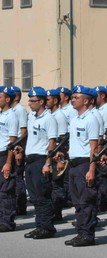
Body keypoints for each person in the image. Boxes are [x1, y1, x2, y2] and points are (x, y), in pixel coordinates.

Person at [61, 85, 99, 247]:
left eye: (76, 97)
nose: (73, 100)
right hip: (74, 164)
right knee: (77, 202)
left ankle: (88, 235)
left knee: (86, 201)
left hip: (84, 164)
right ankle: (80, 232)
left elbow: (94, 147)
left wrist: (92, 169)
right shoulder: (75, 119)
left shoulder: (91, 119)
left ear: (86, 100)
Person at [24, 86, 58, 239]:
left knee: (43, 194)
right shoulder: (31, 116)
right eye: (29, 100)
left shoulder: (49, 118)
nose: (30, 103)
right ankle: (39, 225)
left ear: (42, 101)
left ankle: (47, 227)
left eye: (33, 100)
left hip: (40, 160)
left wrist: (48, 163)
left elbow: (52, 142)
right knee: (34, 196)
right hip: (30, 160)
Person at [46, 89, 69, 222]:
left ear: (55, 101)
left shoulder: (59, 116)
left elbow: (62, 140)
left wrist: (61, 159)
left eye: (48, 99)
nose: (46, 102)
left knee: (57, 185)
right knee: (51, 185)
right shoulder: (50, 114)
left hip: (57, 156)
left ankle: (57, 212)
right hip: (50, 155)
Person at [0, 86, 19, 232]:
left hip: (5, 155)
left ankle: (7, 221)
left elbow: (13, 142)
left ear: (7, 99)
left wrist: (8, 162)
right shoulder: (1, 114)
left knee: (6, 190)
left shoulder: (12, 116)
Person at [10, 86, 28, 216]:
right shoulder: (11, 110)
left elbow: (23, 132)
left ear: (15, 97)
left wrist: (20, 151)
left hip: (17, 149)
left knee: (18, 179)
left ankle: (20, 206)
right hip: (11, 148)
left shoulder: (20, 110)